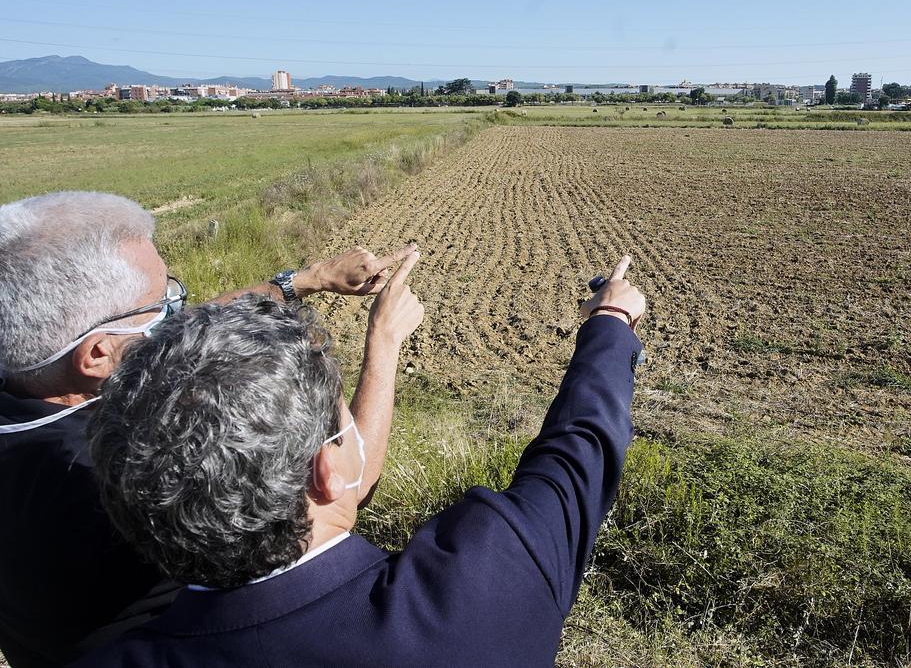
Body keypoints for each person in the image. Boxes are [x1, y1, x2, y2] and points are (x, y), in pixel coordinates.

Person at [79, 253, 646, 666]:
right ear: (326, 473)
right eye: (342, 421)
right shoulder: (478, 595)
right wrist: (610, 323)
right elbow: (579, 454)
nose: (353, 425)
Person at [0, 191, 415, 667]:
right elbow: (336, 491)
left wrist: (305, 280)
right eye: (163, 306)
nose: (180, 312)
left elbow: (180, 335)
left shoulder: (23, 377)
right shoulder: (113, 464)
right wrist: (384, 341)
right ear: (95, 355)